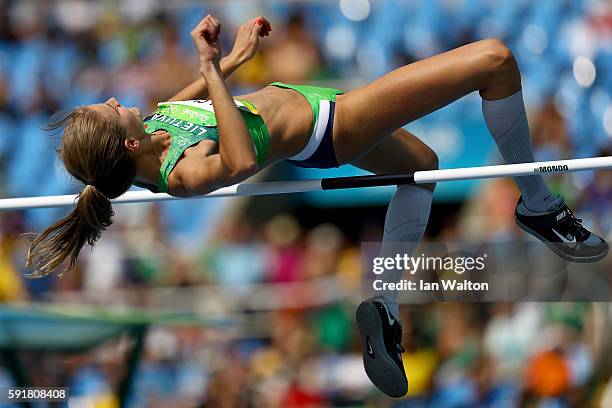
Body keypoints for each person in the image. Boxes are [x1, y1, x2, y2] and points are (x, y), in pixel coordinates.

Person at [25, 14, 608, 398]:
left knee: (424, 170)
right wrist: (210, 69)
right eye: (109, 110)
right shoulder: (179, 174)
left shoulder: (153, 127)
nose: (111, 98)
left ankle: (384, 306)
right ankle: (538, 203)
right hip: (335, 126)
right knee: (495, 59)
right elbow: (234, 158)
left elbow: (190, 100)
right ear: (126, 145)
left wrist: (231, 61)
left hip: (322, 104)